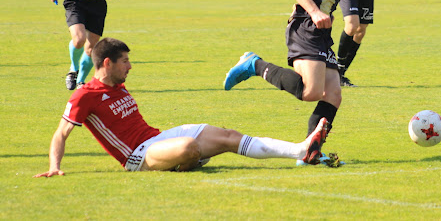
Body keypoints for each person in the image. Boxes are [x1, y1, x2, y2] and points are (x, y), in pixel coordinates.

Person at [34, 38, 329, 177]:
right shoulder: (84, 95)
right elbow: (61, 134)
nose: (130, 66)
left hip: (157, 139)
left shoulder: (116, 84)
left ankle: (300, 150)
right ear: (107, 63)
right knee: (189, 146)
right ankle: (186, 159)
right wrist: (54, 167)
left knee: (228, 135)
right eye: (125, 61)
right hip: (138, 157)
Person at [223, 0, 375, 164]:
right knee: (311, 92)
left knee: (334, 93)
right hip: (306, 24)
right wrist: (315, 11)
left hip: (320, 31)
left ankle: (310, 150)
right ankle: (254, 64)